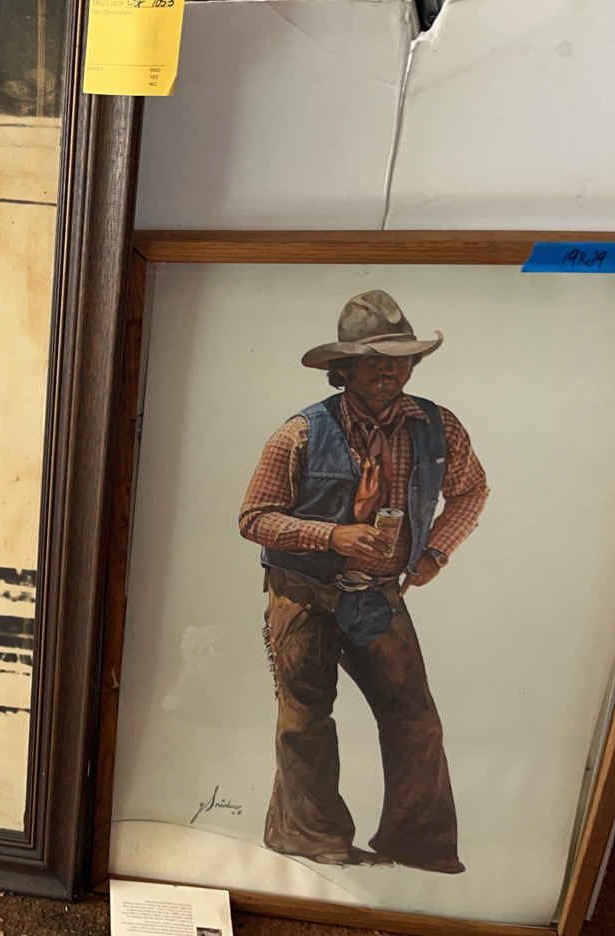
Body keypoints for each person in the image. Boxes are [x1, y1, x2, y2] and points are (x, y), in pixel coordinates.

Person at [239, 289, 489, 873]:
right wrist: (332, 537)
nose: (387, 371)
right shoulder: (299, 433)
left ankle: (416, 843)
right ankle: (310, 836)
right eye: (373, 359)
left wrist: (435, 553)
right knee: (305, 719)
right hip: (301, 593)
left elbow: (471, 491)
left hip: (377, 595)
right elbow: (253, 518)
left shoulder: (438, 427)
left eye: (399, 358)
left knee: (416, 718)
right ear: (343, 369)